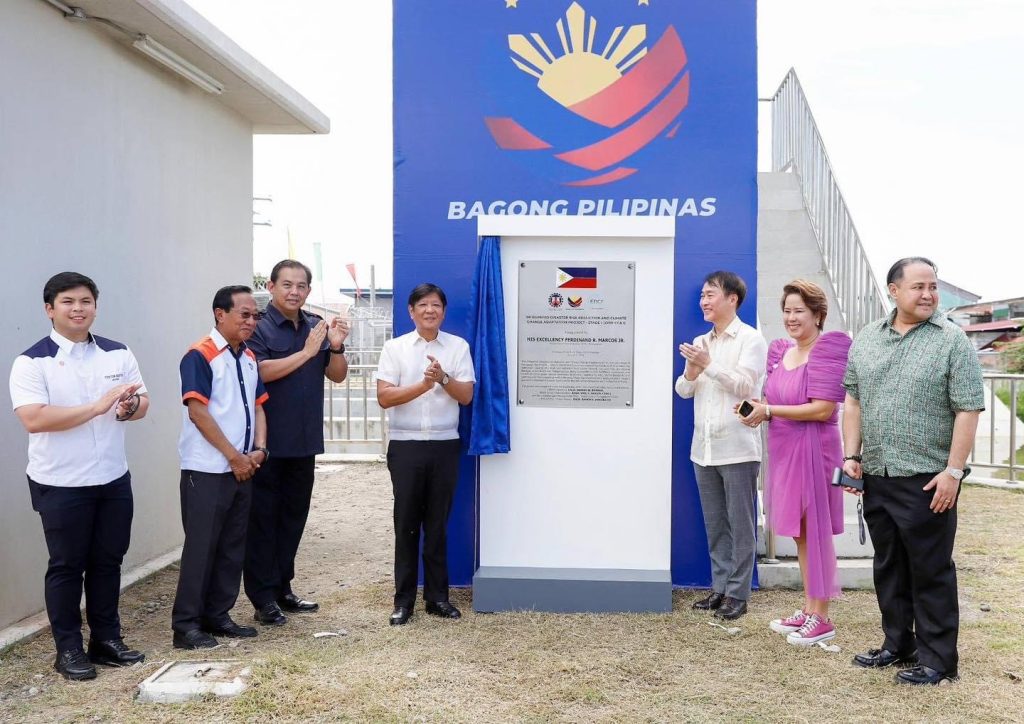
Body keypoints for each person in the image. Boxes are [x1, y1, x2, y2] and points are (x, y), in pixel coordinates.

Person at [842, 257, 984, 685]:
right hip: (878, 473)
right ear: (893, 290)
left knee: (931, 568)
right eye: (918, 286)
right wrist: (852, 455)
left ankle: (939, 660)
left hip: (928, 478)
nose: (928, 294)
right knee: (889, 564)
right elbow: (853, 400)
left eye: (933, 287)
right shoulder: (867, 338)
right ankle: (897, 643)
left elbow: (968, 408)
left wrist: (953, 473)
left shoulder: (952, 341)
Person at [9, 272, 149, 681]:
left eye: (86, 301)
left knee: (108, 561)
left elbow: (142, 402)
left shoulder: (117, 353)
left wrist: (128, 408)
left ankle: (106, 640)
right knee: (67, 565)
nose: (78, 309)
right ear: (49, 309)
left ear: (95, 306)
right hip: (60, 482)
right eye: (68, 302)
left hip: (112, 476)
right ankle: (68, 649)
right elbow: (34, 419)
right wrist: (98, 405)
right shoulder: (32, 361)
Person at [738, 280, 851, 644]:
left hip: (816, 450)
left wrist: (769, 410)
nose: (791, 317)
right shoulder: (781, 350)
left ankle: (823, 616)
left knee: (815, 530)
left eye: (799, 310)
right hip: (785, 449)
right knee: (801, 532)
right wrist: (759, 410)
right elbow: (775, 398)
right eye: (786, 310)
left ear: (818, 314)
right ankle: (809, 607)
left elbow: (822, 409)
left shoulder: (828, 348)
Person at [244, 260, 349, 626]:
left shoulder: (315, 327)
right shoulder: (257, 327)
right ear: (271, 286)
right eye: (286, 284)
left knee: (292, 519)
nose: (294, 291)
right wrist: (305, 353)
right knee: (263, 521)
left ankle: (282, 588)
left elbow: (336, 375)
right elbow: (257, 372)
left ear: (308, 290)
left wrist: (334, 348)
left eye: (301, 285)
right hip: (267, 443)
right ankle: (262, 598)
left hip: (304, 441)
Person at [171, 285, 269, 649]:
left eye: (254, 315)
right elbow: (198, 411)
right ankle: (186, 625)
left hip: (244, 466)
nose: (251, 321)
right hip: (209, 469)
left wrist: (259, 449)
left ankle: (218, 614)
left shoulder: (248, 357)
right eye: (244, 314)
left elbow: (258, 405)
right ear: (220, 314)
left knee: (232, 545)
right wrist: (233, 456)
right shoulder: (201, 355)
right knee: (202, 547)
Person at [376, 283, 475, 626]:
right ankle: (403, 601)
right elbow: (384, 397)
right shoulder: (395, 348)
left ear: (443, 312)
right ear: (411, 311)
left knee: (437, 525)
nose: (430, 310)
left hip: (445, 444)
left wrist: (443, 377)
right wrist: (423, 385)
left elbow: (465, 397)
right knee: (405, 525)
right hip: (406, 445)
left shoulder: (457, 347)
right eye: (423, 305)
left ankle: (437, 598)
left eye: (436, 305)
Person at [675, 271, 768, 620]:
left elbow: (746, 387)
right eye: (702, 295)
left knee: (741, 523)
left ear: (733, 299)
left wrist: (709, 366)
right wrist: (693, 370)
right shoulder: (702, 341)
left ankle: (738, 594)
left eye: (710, 294)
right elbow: (684, 391)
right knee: (715, 524)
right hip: (704, 448)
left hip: (738, 448)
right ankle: (719, 588)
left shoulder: (751, 340)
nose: (703, 301)